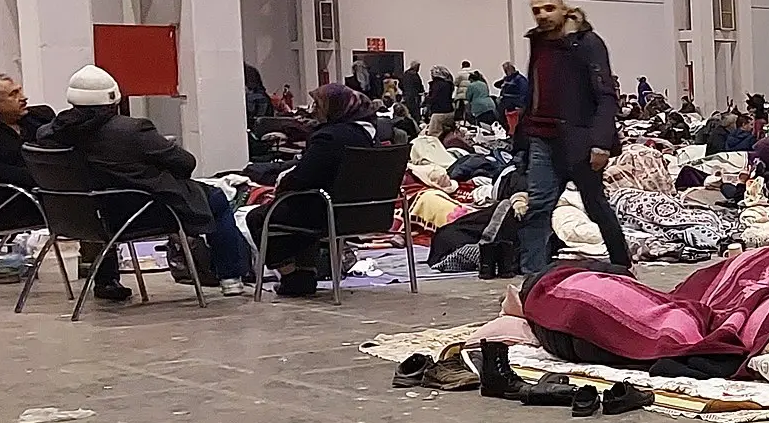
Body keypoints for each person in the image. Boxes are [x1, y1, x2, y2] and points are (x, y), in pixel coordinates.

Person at [39, 64, 253, 298]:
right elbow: (185, 163)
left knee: (100, 195)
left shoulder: (48, 134)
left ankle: (106, 280)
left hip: (82, 216)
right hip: (141, 213)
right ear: (113, 99)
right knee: (217, 198)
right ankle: (231, 278)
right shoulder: (132, 130)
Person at [513, 0, 631, 274]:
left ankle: (622, 266)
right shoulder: (538, 42)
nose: (542, 14)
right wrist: (522, 139)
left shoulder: (587, 43)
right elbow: (534, 92)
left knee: (595, 205)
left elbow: (605, 95)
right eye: (537, 10)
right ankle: (533, 278)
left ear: (563, 9)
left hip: (580, 139)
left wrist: (601, 143)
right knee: (538, 207)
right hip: (542, 137)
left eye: (549, 8)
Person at [248, 82, 397, 296]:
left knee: (260, 217)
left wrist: (281, 182)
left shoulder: (328, 137)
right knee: (302, 210)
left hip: (331, 214)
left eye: (318, 104)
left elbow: (302, 178)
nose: (313, 109)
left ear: (335, 107)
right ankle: (305, 273)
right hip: (369, 214)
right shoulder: (369, 135)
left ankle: (292, 276)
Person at [422, 66, 456, 135]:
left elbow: (434, 98)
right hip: (449, 111)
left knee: (433, 134)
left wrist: (426, 100)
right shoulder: (449, 84)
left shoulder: (436, 84)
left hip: (438, 113)